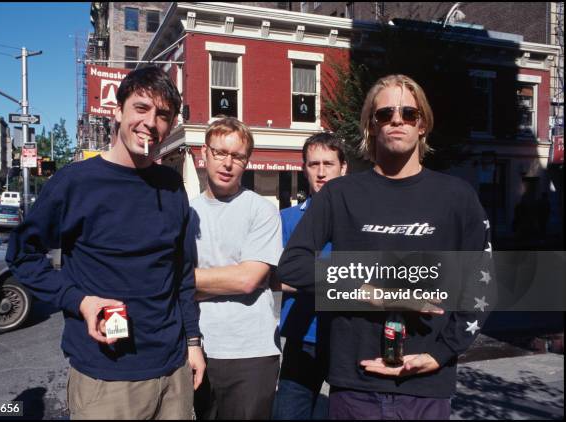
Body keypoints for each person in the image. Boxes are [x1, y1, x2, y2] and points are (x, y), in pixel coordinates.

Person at [277, 74, 493, 419]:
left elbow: (481, 282)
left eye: (409, 113)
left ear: (422, 125)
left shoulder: (458, 197)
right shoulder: (339, 194)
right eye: (385, 114)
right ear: (370, 126)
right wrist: (375, 292)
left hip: (427, 386)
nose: (397, 120)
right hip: (354, 384)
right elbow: (292, 266)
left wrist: (442, 352)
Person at [6, 66, 205, 420]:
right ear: (118, 111)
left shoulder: (173, 187)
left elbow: (182, 275)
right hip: (107, 378)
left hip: (173, 370)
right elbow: (23, 254)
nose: (150, 123)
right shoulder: (75, 183)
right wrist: (79, 301)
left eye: (162, 115)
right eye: (141, 108)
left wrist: (193, 343)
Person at [191, 117, 282, 420]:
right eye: (220, 152)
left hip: (252, 353)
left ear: (247, 161)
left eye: (237, 156)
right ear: (204, 153)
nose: (227, 163)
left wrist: (186, 283)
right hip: (198, 348)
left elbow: (247, 279)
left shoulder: (263, 211)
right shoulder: (186, 214)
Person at [272, 132, 347, 420]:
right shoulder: (287, 219)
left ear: (343, 168)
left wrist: (308, 276)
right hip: (303, 336)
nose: (321, 171)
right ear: (304, 169)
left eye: (328, 163)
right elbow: (277, 276)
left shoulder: (359, 221)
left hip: (347, 335)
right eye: (313, 164)